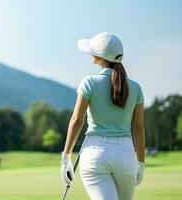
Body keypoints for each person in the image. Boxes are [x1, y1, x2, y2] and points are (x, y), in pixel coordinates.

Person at [60, 32, 146, 200]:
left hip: (95, 154)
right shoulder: (135, 88)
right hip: (126, 155)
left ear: (100, 56)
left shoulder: (89, 82)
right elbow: (139, 128)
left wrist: (65, 158)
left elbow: (77, 120)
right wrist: (141, 163)